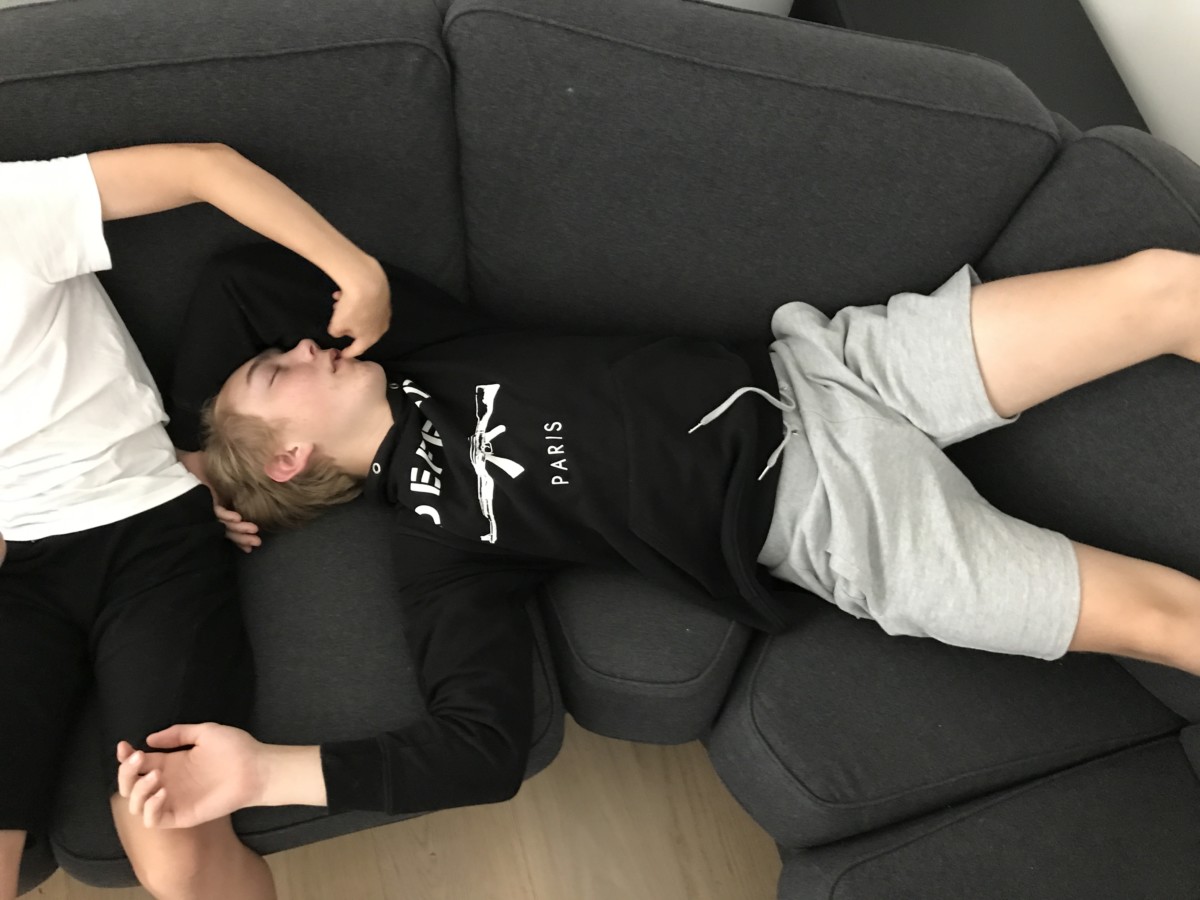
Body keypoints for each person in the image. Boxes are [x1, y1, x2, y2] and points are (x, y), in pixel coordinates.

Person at [116, 240, 1200, 830]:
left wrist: (188, 463)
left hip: (833, 372)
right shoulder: (440, 545)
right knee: (1166, 619)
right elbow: (479, 748)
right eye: (278, 370)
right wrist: (264, 774)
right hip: (844, 525)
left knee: (1162, 286)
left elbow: (234, 278)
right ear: (292, 458)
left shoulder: (427, 346)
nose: (306, 346)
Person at [0, 145, 390, 900]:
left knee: (172, 843)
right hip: (18, 574)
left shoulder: (11, 206)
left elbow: (203, 168)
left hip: (150, 531)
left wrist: (357, 271)